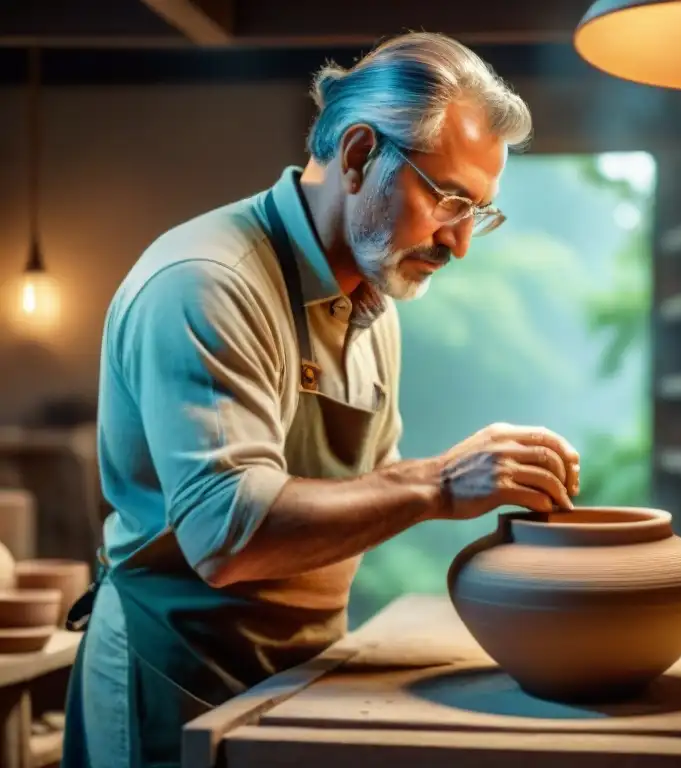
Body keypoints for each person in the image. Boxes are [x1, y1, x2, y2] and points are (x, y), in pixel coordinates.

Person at [62, 31, 580, 768]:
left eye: (480, 212)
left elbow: (366, 496)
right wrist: (438, 483)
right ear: (361, 154)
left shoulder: (376, 306)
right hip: (172, 677)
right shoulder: (207, 280)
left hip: (301, 674)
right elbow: (226, 535)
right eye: (450, 200)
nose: (460, 243)